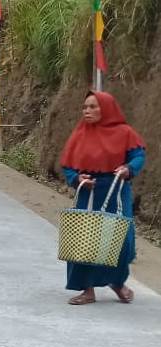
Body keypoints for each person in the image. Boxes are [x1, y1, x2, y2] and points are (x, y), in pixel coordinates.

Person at [60, 91, 146, 305]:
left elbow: (138, 156)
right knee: (84, 239)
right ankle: (87, 289)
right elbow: (68, 165)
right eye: (85, 107)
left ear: (106, 108)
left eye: (92, 106)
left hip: (117, 190)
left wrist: (128, 168)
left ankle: (117, 282)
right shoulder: (80, 133)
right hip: (88, 191)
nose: (87, 111)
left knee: (121, 240)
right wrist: (77, 178)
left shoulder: (125, 133)